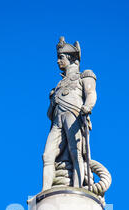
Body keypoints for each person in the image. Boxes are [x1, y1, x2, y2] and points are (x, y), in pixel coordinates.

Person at [42, 37, 97, 191]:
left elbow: (91, 93)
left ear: (71, 58)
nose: (58, 61)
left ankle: (78, 187)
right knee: (47, 156)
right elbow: (49, 114)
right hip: (57, 121)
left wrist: (88, 106)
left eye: (61, 57)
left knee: (76, 153)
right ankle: (45, 190)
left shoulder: (84, 75)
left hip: (74, 115)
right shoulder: (58, 85)